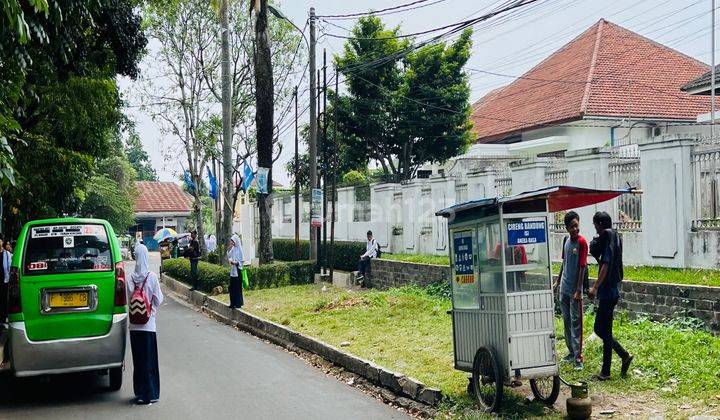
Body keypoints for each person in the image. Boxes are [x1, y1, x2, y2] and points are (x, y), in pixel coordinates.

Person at [588, 211, 633, 381]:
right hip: (613, 288)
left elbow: (605, 264)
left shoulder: (607, 235)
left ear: (600, 224)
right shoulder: (616, 236)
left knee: (600, 329)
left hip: (607, 290)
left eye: (595, 225)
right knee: (605, 329)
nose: (595, 229)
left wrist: (594, 287)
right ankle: (607, 370)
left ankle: (623, 355)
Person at [127, 243, 164, 405]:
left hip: (134, 326)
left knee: (139, 360)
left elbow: (128, 299)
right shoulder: (152, 277)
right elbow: (159, 299)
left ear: (135, 257)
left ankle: (140, 392)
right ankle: (151, 393)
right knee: (150, 360)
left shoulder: (130, 278)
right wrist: (152, 309)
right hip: (149, 326)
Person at [554, 211, 588, 371]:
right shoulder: (566, 240)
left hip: (575, 291)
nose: (575, 229)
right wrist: (558, 281)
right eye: (572, 226)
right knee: (566, 320)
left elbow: (583, 267)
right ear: (566, 228)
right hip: (564, 288)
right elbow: (564, 262)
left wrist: (579, 290)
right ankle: (570, 351)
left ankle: (578, 357)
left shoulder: (582, 242)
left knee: (576, 323)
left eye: (577, 225)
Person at [226, 234, 244, 309]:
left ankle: (238, 303)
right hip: (233, 271)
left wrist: (236, 262)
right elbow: (228, 256)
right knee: (232, 287)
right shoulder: (232, 249)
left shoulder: (239, 249)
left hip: (237, 270)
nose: (232, 242)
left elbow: (242, 261)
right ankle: (232, 303)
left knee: (237, 288)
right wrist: (229, 248)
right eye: (231, 241)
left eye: (233, 241)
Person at [0, 235, 12, 324]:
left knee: (4, 300)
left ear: (2, 242)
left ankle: (3, 319)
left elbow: (9, 268)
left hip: (4, 280)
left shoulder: (6, 254)